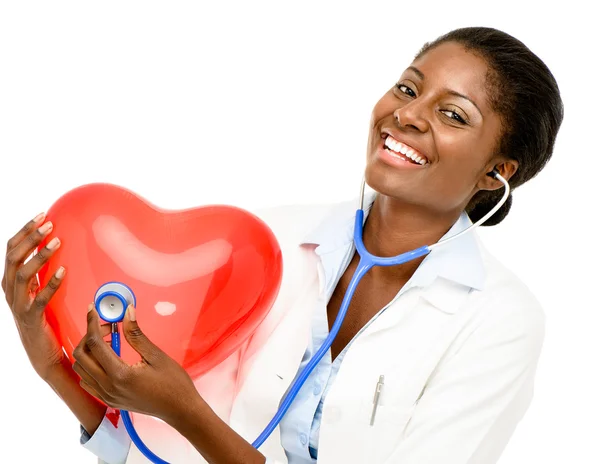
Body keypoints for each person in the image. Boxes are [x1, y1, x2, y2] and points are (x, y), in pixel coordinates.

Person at [3, 26, 563, 464]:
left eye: (452, 114)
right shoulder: (266, 244)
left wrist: (186, 411)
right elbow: (149, 444)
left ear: (497, 171)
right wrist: (49, 360)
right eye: (409, 87)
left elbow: (180, 414)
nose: (408, 114)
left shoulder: (500, 321)